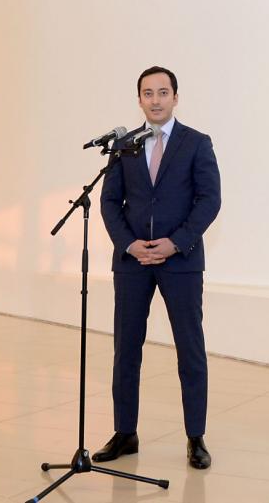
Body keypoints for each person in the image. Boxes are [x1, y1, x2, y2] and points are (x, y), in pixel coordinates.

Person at [94, 66, 221, 470]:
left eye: (163, 92)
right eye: (147, 93)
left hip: (181, 262)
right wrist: (129, 244)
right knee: (126, 349)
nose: (155, 100)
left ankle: (196, 437)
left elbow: (209, 200)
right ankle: (125, 432)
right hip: (133, 262)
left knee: (190, 350)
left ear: (175, 98)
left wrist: (175, 242)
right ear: (139, 100)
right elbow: (109, 201)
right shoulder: (125, 146)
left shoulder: (197, 143)